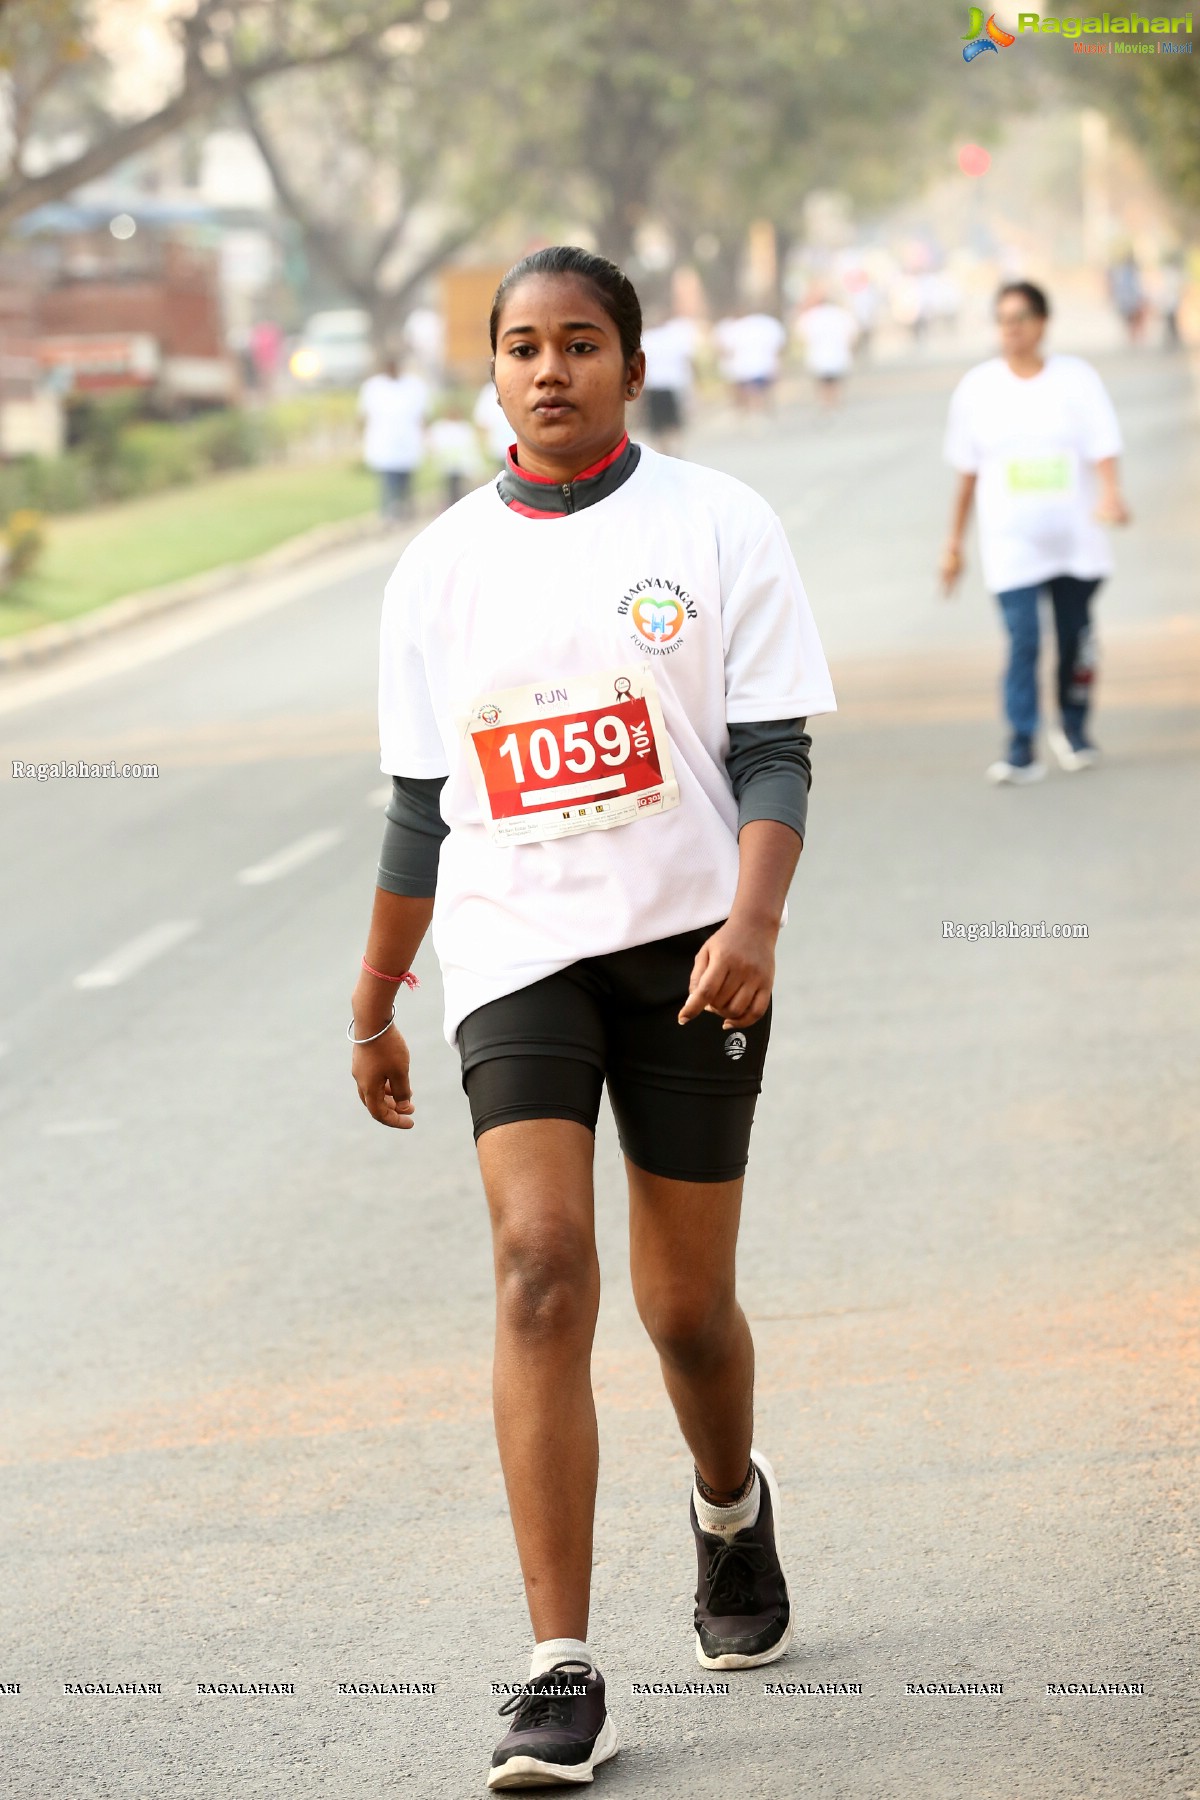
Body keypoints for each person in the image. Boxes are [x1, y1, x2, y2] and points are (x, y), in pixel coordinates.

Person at [350, 245, 836, 1790]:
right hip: (514, 950)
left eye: (579, 344)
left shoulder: (715, 522)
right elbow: (424, 808)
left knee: (686, 1309)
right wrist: (376, 996)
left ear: (631, 364)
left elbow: (771, 751)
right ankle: (559, 1665)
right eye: (520, 346)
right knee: (541, 1268)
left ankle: (728, 1510)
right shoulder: (436, 567)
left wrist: (754, 923)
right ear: (488, 372)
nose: (549, 370)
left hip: (696, 947)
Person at [940, 280, 1131, 784]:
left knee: (1074, 639)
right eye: (1003, 319)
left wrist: (1111, 493)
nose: (1011, 328)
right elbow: (966, 475)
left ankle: (1074, 728)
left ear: (1042, 323)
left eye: (1021, 317)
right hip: (1011, 544)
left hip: (1074, 539)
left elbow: (1103, 446)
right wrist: (953, 546)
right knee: (1024, 639)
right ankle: (1021, 743)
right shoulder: (978, 389)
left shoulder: (1077, 380)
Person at [356, 356, 430, 520]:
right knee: (388, 482)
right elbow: (363, 416)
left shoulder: (414, 386)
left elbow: (422, 416)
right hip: (384, 443)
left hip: (408, 442)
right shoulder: (373, 387)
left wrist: (426, 438)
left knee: (405, 482)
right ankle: (389, 514)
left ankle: (406, 512)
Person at [639, 310, 698, 453]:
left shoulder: (647, 338)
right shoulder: (675, 337)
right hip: (670, 383)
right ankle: (675, 448)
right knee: (672, 420)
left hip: (656, 384)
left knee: (660, 422)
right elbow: (687, 359)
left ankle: (665, 449)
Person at [794, 290, 858, 409]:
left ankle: (825, 402)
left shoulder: (811, 316)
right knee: (835, 380)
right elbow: (852, 335)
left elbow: (801, 335)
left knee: (822, 380)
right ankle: (834, 401)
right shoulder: (841, 315)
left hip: (818, 354)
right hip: (838, 353)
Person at [426, 395, 486, 509]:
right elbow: (432, 443)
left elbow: (471, 448)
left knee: (458, 487)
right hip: (445, 465)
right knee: (448, 488)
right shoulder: (441, 427)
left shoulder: (464, 428)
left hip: (460, 465)